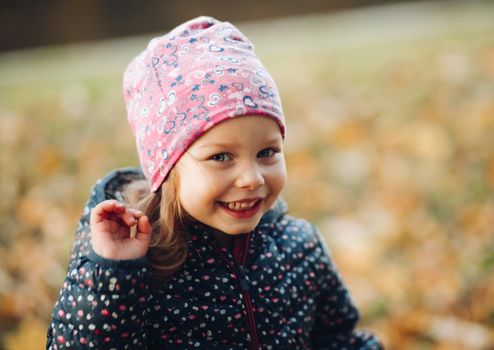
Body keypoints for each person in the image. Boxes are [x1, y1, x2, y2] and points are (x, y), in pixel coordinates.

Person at [46, 16, 383, 349]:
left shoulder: (300, 247)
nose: (252, 179)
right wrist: (114, 274)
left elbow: (337, 340)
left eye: (267, 152)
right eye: (221, 157)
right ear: (166, 167)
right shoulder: (137, 262)